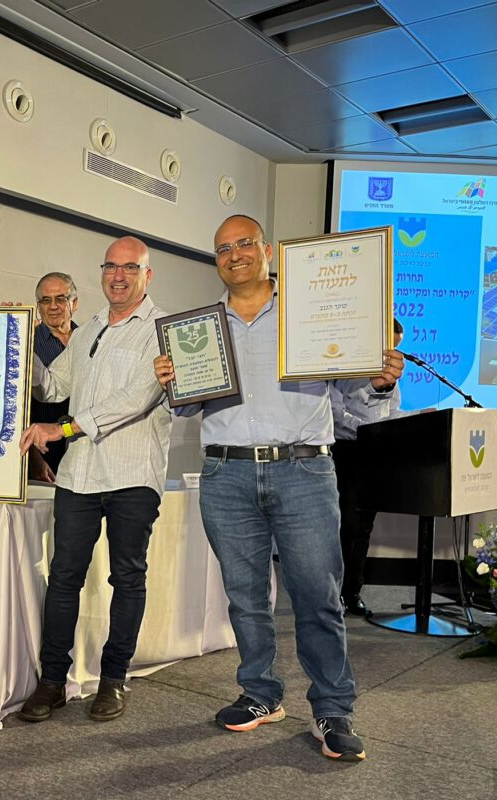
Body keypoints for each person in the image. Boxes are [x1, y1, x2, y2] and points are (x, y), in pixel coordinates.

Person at [154, 215, 402, 761]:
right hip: (226, 473)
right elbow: (189, 408)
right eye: (223, 248)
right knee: (245, 597)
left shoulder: (311, 314)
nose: (234, 254)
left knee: (317, 595)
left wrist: (380, 383)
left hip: (303, 471)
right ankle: (260, 693)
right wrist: (174, 382)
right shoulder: (199, 330)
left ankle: (333, 709)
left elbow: (357, 401)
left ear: (267, 250)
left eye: (244, 243)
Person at [17, 237, 171, 723]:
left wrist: (61, 429)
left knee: (127, 578)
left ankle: (113, 679)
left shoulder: (162, 331)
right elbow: (53, 387)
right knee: (63, 577)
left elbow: (135, 400)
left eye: (130, 268)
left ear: (147, 275)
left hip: (132, 473)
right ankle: (52, 682)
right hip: (78, 475)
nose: (118, 276)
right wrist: (13, 340)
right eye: (110, 267)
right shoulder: (89, 331)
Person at [332, 318, 404, 615]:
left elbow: (390, 411)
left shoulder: (389, 376)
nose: (392, 354)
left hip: (373, 454)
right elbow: (334, 414)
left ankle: (352, 592)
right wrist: (367, 428)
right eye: (389, 347)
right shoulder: (341, 364)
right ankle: (332, 594)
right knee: (344, 526)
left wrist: (414, 419)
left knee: (363, 527)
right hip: (343, 453)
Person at [28, 272, 79, 483]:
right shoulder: (27, 341)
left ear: (74, 303)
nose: (53, 306)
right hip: (44, 452)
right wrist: (33, 458)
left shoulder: (89, 340)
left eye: (60, 299)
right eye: (45, 300)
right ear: (38, 306)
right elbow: (14, 406)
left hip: (82, 451)